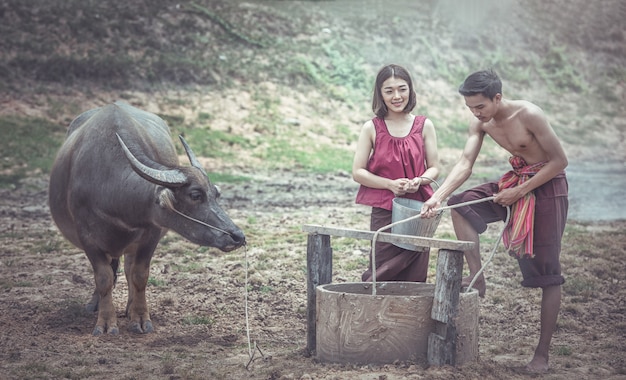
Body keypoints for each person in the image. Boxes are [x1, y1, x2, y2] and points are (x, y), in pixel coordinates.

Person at [421, 69, 568, 373]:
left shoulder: (530, 115)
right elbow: (465, 164)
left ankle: (542, 353)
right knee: (459, 205)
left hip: (548, 186)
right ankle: (478, 278)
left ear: (497, 97)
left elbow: (559, 161)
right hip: (515, 182)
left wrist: (520, 192)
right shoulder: (481, 121)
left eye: (480, 107)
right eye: (470, 108)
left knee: (549, 270)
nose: (475, 114)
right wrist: (437, 197)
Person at [352, 64, 440, 283]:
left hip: (419, 209)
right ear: (380, 94)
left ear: (410, 89)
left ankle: (410, 315)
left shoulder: (424, 125)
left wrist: (419, 181)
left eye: (402, 89)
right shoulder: (372, 128)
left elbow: (435, 167)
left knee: (415, 268)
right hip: (384, 208)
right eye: (389, 91)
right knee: (381, 264)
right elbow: (358, 172)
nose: (397, 96)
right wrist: (390, 185)